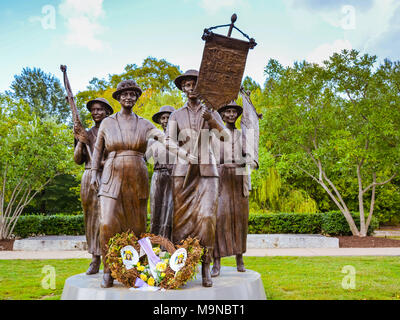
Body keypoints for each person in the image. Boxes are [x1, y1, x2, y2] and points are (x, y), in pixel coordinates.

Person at [90, 80, 162, 288]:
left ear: (136, 98)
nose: (128, 97)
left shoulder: (145, 123)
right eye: (124, 94)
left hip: (137, 174)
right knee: (107, 223)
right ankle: (108, 269)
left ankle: (136, 269)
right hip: (112, 174)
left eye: (132, 94)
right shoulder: (107, 122)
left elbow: (163, 137)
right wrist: (95, 171)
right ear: (119, 97)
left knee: (137, 226)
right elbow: (97, 150)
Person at [165, 70, 228, 287]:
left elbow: (225, 137)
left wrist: (212, 120)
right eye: (188, 85)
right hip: (183, 171)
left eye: (195, 84)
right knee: (181, 221)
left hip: (208, 170)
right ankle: (179, 266)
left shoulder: (210, 111)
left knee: (207, 218)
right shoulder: (176, 115)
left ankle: (205, 266)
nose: (191, 88)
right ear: (183, 88)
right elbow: (168, 141)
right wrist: (184, 154)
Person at [211, 101, 252, 277]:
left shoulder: (242, 134)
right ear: (221, 114)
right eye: (227, 111)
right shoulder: (213, 135)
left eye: (234, 112)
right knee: (220, 219)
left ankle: (239, 258)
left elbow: (248, 155)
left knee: (240, 219)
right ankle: (216, 262)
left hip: (239, 176)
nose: (231, 115)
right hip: (221, 177)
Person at [73, 97, 113, 275]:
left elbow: (113, 158)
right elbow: (77, 160)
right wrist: (81, 141)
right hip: (89, 175)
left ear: (107, 112)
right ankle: (95, 258)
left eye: (100, 109)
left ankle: (109, 258)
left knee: (107, 218)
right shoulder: (86, 133)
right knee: (91, 219)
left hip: (106, 175)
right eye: (93, 110)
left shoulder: (111, 133)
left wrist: (102, 162)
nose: (96, 112)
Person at [146, 105, 176, 240]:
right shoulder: (152, 140)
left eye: (168, 118)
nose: (165, 120)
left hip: (173, 177)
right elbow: (144, 158)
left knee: (170, 209)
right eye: (163, 118)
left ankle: (167, 241)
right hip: (158, 175)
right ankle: (154, 242)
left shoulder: (179, 139)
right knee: (155, 208)